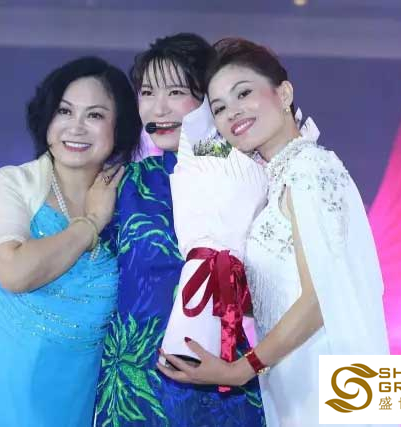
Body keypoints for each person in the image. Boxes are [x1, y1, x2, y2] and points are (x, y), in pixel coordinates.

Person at [158, 37, 389, 427]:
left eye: (243, 93)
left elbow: (320, 297)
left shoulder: (310, 169)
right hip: (293, 383)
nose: (232, 112)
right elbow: (283, 293)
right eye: (219, 108)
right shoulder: (275, 184)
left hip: (326, 385)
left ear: (283, 94)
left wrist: (240, 370)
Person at [0, 56, 141, 427]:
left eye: (95, 115)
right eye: (64, 111)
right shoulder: (13, 183)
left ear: (119, 127)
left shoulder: (133, 196)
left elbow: (211, 152)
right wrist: (90, 224)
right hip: (4, 379)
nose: (76, 127)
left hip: (80, 390)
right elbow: (14, 273)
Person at [94, 33, 265, 427]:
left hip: (219, 379)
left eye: (176, 92)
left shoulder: (246, 175)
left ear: (208, 97)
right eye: (147, 93)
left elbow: (273, 292)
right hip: (132, 388)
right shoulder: (125, 183)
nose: (159, 108)